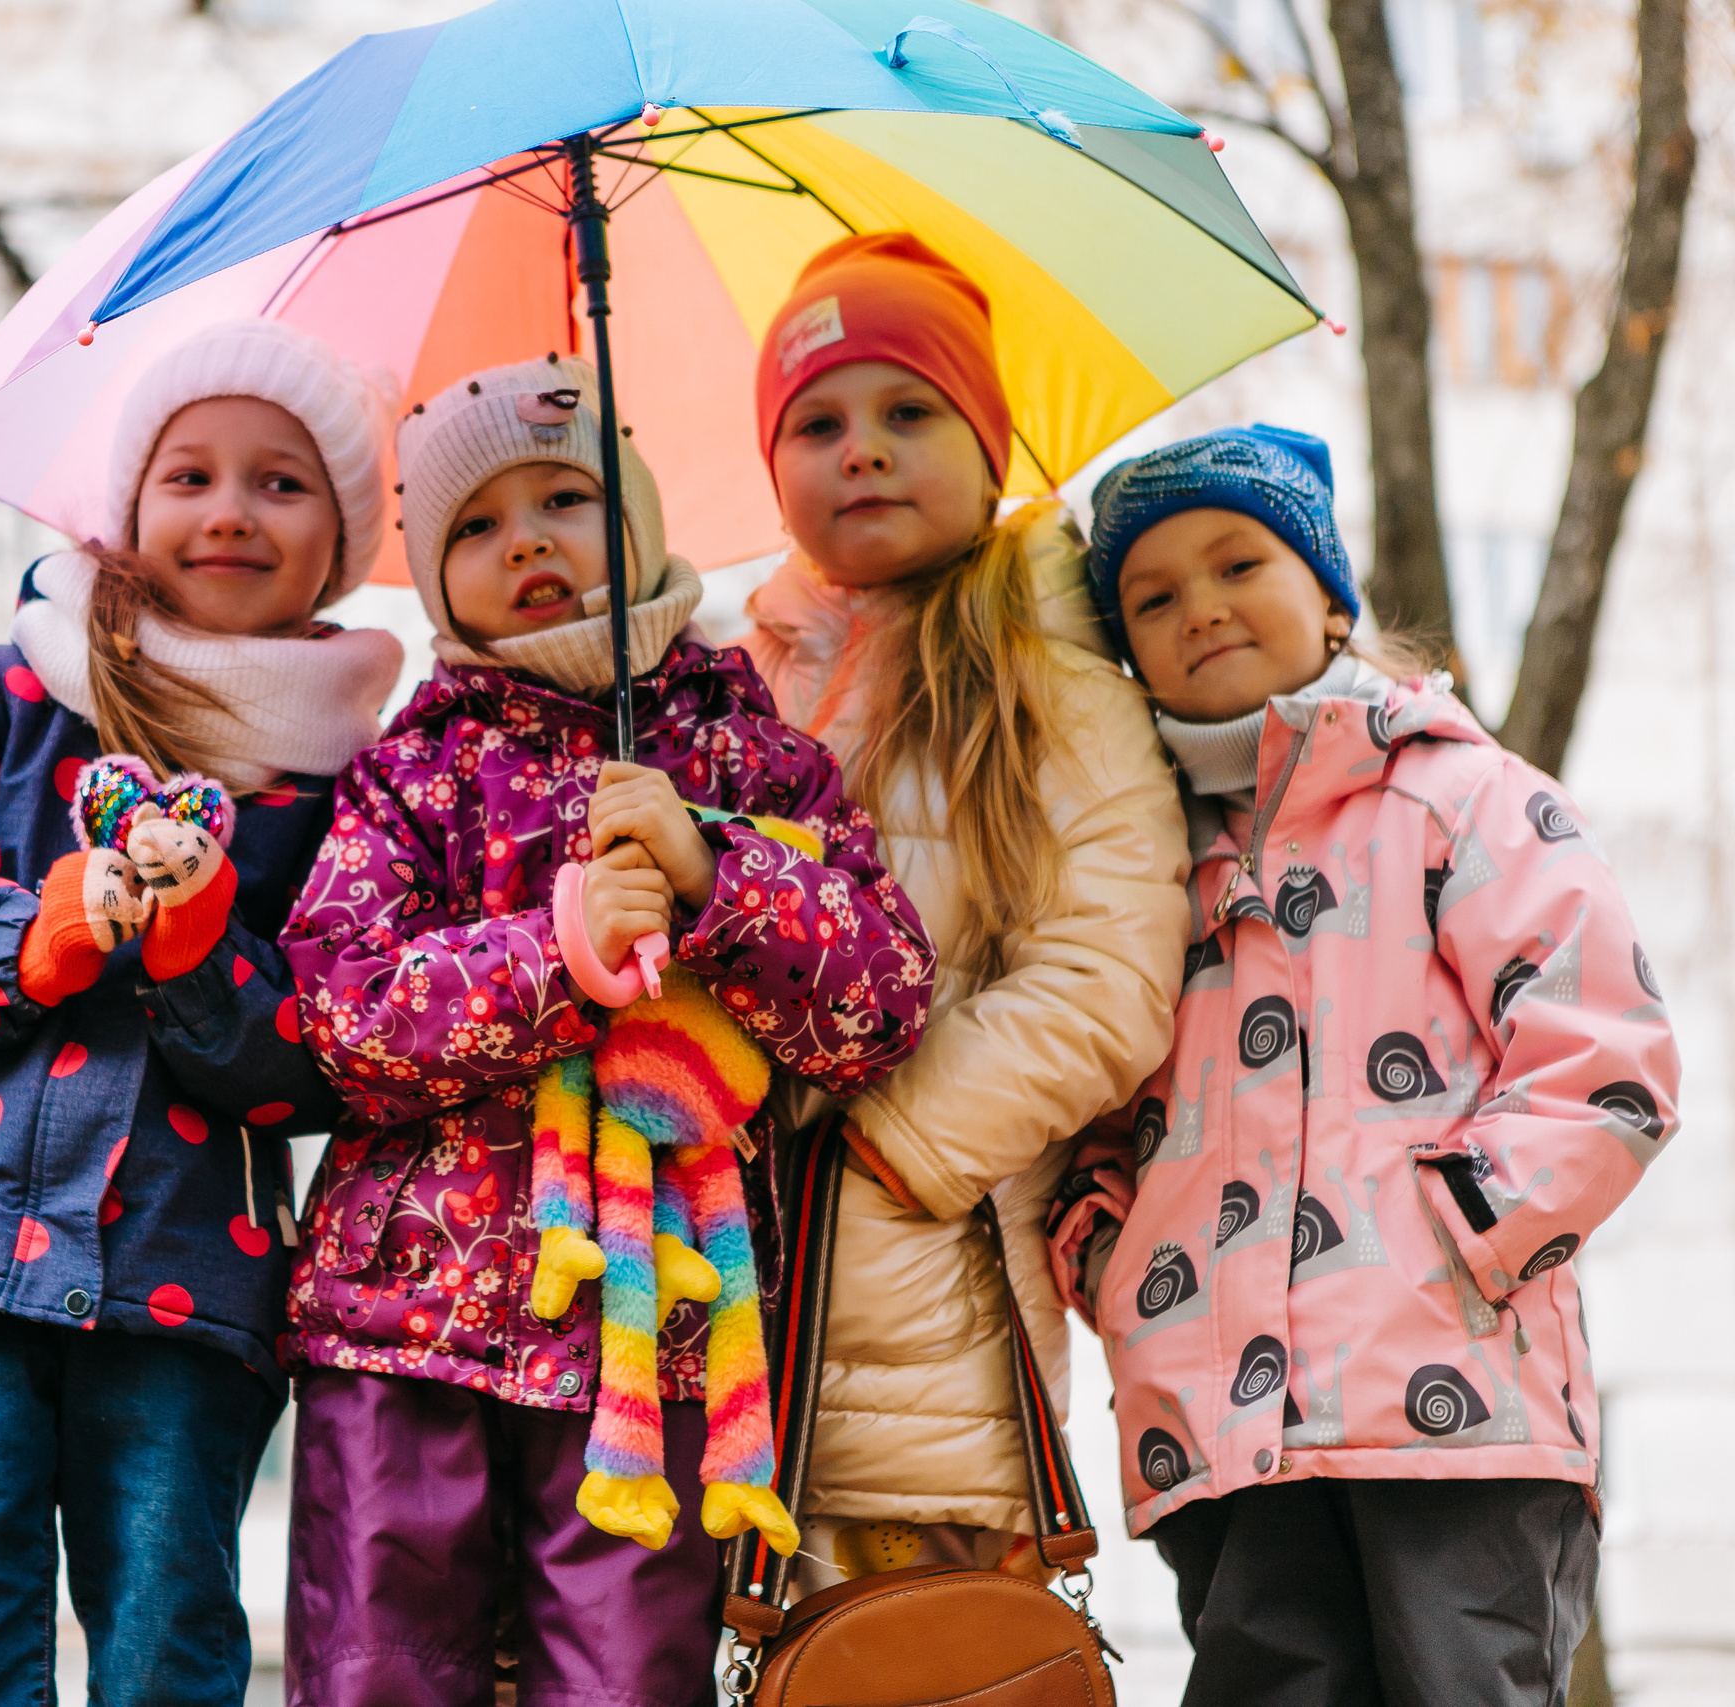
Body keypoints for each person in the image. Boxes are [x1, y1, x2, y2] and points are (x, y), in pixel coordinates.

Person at [281, 354, 935, 1707]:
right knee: (379, 1671)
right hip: (409, 1317)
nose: (522, 538)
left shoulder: (755, 760)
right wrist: (558, 948)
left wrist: (717, 879)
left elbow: (880, 999)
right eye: (473, 524)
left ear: (641, 517)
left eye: (565, 501)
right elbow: (344, 1011)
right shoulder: (412, 771)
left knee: (628, 1680)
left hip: (660, 1329)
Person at [0, 319, 403, 1707]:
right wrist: (48, 928)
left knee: (169, 1621)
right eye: (189, 473)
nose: (231, 509)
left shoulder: (346, 784)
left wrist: (200, 951)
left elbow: (320, 1061)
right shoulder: (15, 691)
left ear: (343, 537)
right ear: (128, 506)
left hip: (193, 1270)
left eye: (282, 480)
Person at [1047, 425, 1677, 1705]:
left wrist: (1461, 1232)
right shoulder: (1138, 865)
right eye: (1152, 598)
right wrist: (1112, 1261)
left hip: (1460, 1408)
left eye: (1238, 564)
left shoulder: (1454, 797)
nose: (1201, 609)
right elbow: (1090, 1097)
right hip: (1221, 1423)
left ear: (1329, 594)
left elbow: (1601, 1055)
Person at [740, 233, 1190, 1586]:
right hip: (735, 1305)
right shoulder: (731, 676)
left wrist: (903, 1136)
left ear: (992, 442)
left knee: (924, 1643)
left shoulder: (1044, 668)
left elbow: (1109, 970)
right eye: (816, 423)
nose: (861, 448)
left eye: (908, 410)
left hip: (930, 1303)